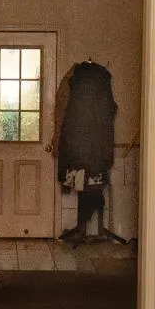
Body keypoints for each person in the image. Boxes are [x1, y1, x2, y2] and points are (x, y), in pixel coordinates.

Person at [48, 60, 116, 242]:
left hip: (76, 148)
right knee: (90, 189)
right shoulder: (99, 81)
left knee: (87, 189)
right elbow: (110, 111)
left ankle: (82, 228)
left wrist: (60, 140)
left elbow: (61, 111)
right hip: (94, 149)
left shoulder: (73, 80)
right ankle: (82, 228)